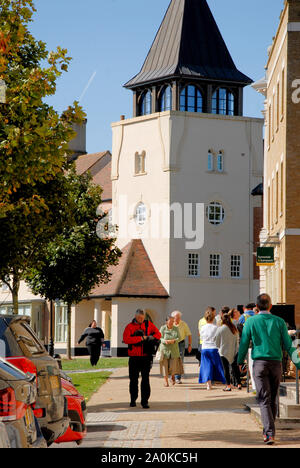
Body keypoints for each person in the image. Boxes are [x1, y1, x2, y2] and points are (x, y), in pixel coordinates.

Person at [237, 294, 300, 445]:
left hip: (259, 363)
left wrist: (240, 361)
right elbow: (288, 344)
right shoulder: (279, 322)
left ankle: (269, 433)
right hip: (276, 363)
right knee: (272, 398)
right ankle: (270, 431)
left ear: (256, 308)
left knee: (264, 398)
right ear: (271, 306)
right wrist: (297, 362)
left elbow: (244, 343)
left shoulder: (251, 321)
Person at [123, 309, 161, 409]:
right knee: (133, 380)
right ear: (135, 316)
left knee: (145, 380)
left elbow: (158, 334)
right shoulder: (129, 326)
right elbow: (126, 339)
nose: (141, 320)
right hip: (134, 357)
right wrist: (140, 339)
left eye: (143, 318)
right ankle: (133, 399)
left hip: (146, 357)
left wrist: (149, 337)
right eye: (139, 318)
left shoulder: (149, 325)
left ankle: (145, 401)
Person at [199, 308, 226, 390]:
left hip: (205, 348)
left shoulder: (203, 328)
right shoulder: (216, 327)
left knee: (206, 366)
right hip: (214, 348)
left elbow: (201, 337)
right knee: (218, 366)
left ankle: (208, 384)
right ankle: (225, 381)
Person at [216, 313, 241, 391]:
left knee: (226, 369)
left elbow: (217, 342)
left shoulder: (220, 329)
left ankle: (228, 385)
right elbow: (238, 340)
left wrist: (219, 347)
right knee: (235, 368)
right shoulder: (234, 328)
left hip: (223, 352)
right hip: (234, 351)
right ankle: (239, 384)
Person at [159, 316, 183, 387]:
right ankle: (166, 381)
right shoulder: (162, 328)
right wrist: (165, 341)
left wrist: (174, 340)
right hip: (164, 350)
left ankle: (172, 376)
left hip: (174, 350)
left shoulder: (176, 328)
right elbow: (159, 338)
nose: (172, 322)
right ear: (166, 321)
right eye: (170, 321)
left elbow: (179, 338)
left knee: (173, 366)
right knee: (165, 367)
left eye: (173, 321)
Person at [238, 303, 257, 392]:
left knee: (248, 360)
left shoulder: (243, 317)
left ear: (245, 308)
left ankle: (249, 379)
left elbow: (239, 328)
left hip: (247, 340)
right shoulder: (257, 315)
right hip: (256, 341)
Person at [171, 311, 192, 384]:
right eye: (177, 317)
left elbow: (189, 334)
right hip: (172, 343)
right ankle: (172, 376)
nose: (179, 319)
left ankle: (178, 378)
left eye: (179, 317)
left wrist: (189, 345)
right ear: (173, 318)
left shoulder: (183, 324)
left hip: (181, 343)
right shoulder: (170, 324)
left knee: (180, 360)